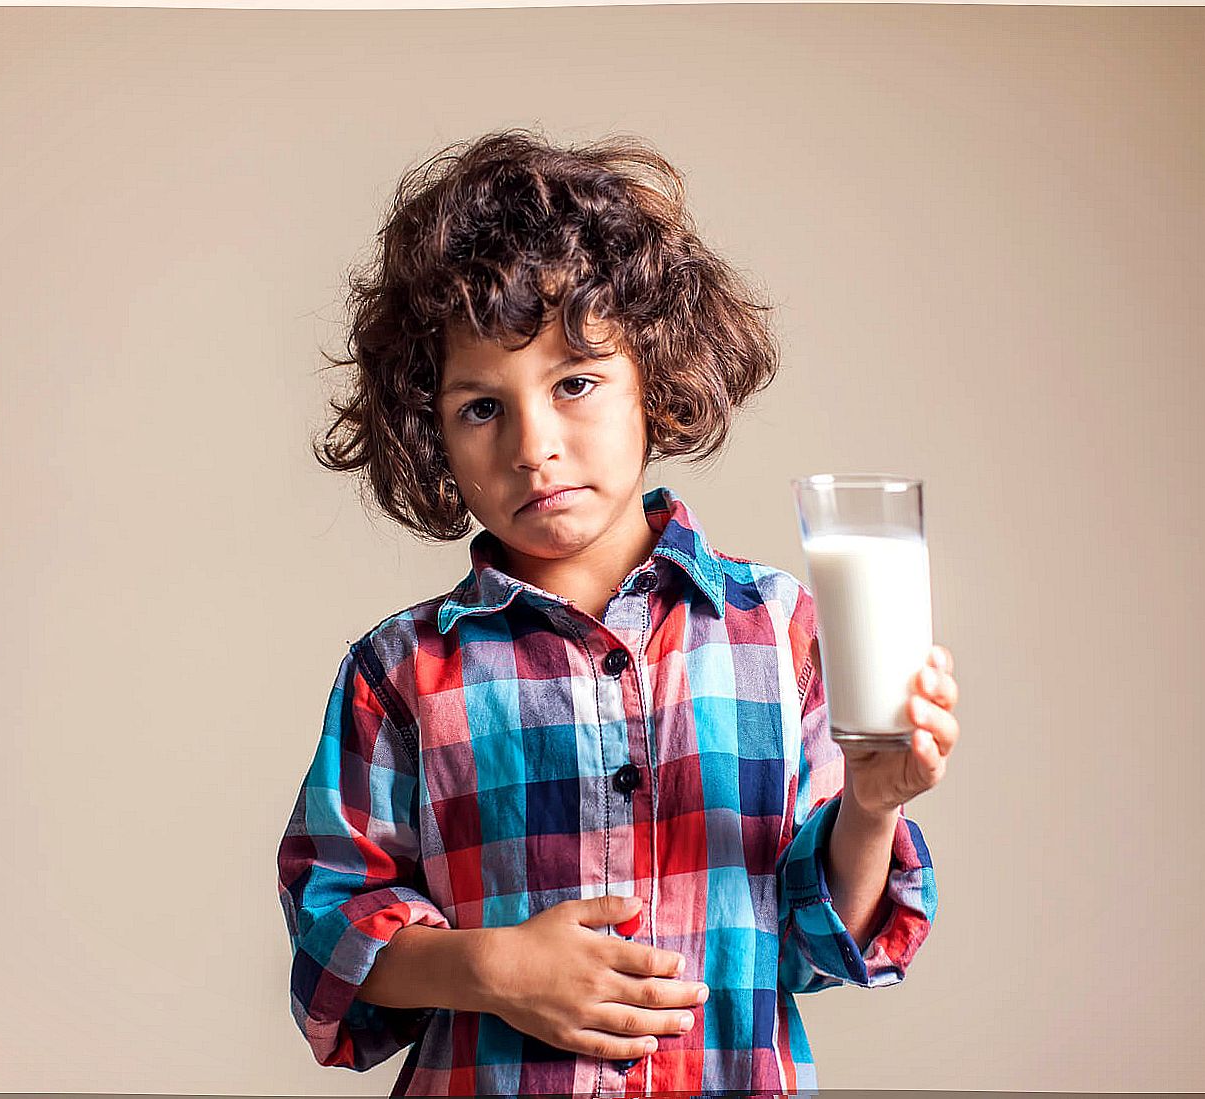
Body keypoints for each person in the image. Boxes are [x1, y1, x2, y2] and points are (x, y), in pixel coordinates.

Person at [275, 128, 960, 1096]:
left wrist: (872, 805)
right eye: (481, 407)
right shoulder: (402, 669)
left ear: (658, 377)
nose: (533, 444)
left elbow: (816, 940)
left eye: (576, 383)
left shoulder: (779, 630)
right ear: (430, 427)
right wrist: (487, 968)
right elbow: (330, 918)